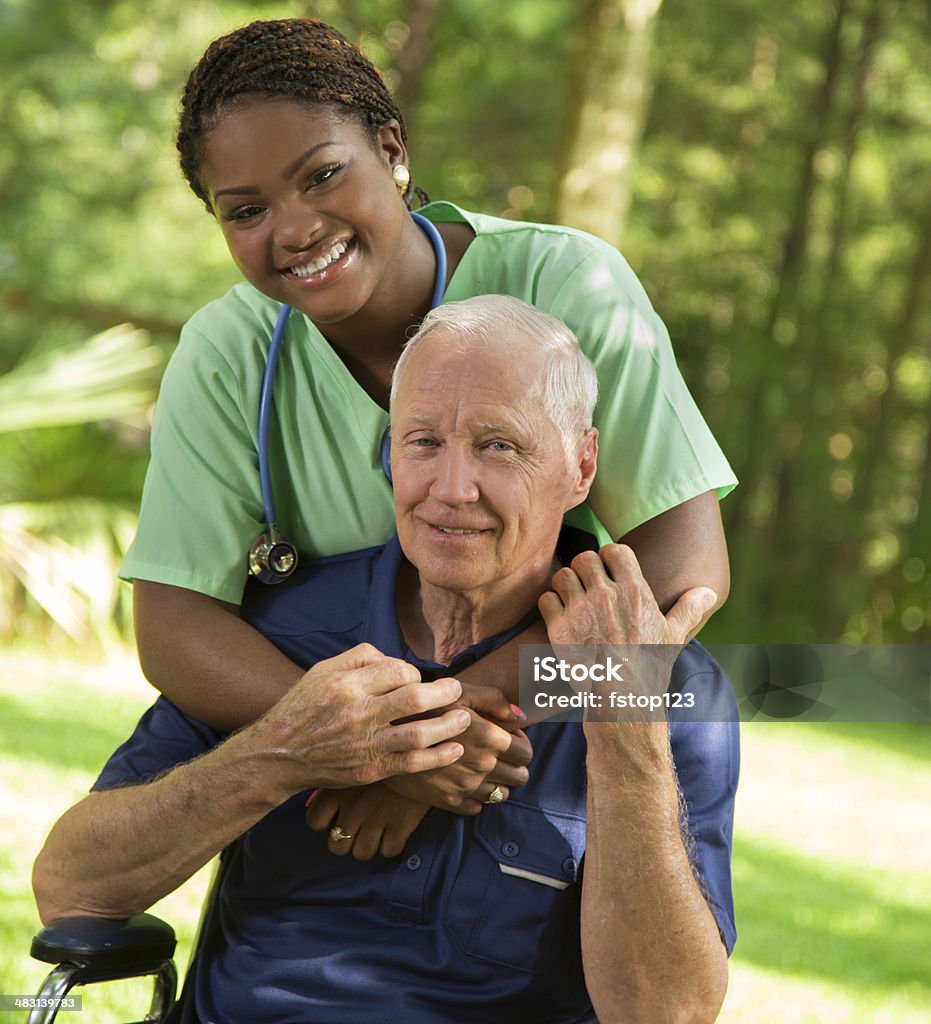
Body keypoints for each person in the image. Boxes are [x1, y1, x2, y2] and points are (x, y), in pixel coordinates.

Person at [34, 297, 739, 1024]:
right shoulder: (281, 627)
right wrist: (285, 752)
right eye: (424, 442)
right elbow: (72, 888)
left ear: (580, 464)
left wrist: (622, 728)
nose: (451, 488)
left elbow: (668, 1011)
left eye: (498, 446)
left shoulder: (661, 679)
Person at [123, 18, 736, 766]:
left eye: (321, 176)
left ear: (391, 151)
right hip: (327, 767)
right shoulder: (229, 354)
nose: (294, 229)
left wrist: (446, 727)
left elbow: (681, 572)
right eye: (246, 211)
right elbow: (175, 625)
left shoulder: (570, 284)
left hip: (548, 738)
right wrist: (365, 750)